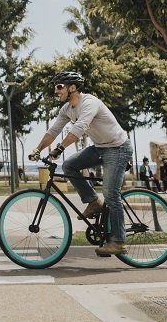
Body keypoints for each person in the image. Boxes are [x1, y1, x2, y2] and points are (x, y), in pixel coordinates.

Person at [29, 71, 132, 257]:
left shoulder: (89, 103)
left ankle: (118, 241)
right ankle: (94, 202)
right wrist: (38, 150)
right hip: (101, 147)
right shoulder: (67, 109)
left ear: (73, 88)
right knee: (69, 166)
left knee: (111, 193)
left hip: (118, 148)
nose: (56, 91)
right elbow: (53, 131)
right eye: (55, 87)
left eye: (59, 87)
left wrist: (59, 149)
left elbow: (79, 128)